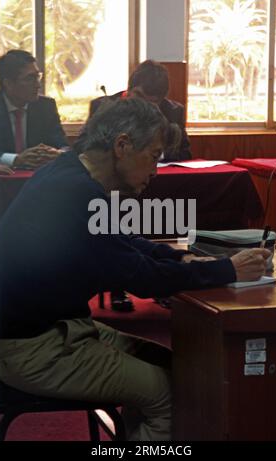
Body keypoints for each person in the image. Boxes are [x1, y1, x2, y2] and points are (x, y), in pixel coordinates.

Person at [0, 97, 270, 441]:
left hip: (57, 329)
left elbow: (125, 242)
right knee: (169, 390)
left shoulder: (68, 172)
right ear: (122, 145)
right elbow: (141, 279)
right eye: (153, 156)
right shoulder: (75, 194)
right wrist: (227, 270)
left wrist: (181, 259)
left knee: (170, 365)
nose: (155, 170)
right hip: (33, 350)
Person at [74, 60, 192, 311]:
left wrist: (152, 156)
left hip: (153, 185)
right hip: (36, 335)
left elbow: (184, 152)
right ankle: (120, 287)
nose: (147, 106)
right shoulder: (106, 107)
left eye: (155, 101)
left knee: (177, 207)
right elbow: (84, 146)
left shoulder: (173, 111)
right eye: (141, 96)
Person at [0, 49, 69, 168]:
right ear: (8, 84)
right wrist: (15, 159)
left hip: (40, 178)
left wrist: (59, 153)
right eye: (30, 78)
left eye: (38, 76)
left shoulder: (46, 106)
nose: (38, 85)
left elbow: (63, 145)